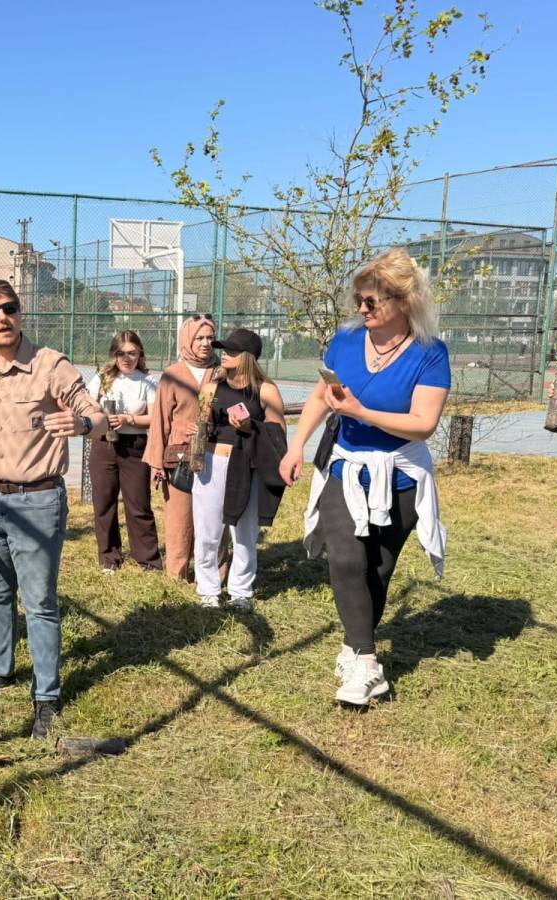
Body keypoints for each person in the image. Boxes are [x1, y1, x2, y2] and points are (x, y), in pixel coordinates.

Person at [279, 248, 451, 706]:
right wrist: (296, 446)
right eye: (359, 299)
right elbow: (321, 397)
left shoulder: (430, 353)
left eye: (371, 301)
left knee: (378, 568)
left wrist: (361, 411)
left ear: (404, 301)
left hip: (401, 476)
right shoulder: (346, 340)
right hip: (346, 468)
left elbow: (424, 423)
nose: (362, 308)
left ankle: (353, 647)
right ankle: (370, 666)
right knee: (346, 560)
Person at [0, 279, 106, 740]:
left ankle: (47, 696)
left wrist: (79, 423)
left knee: (38, 603)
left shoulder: (49, 364)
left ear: (20, 312)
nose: (2, 319)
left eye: (9, 309)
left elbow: (98, 416)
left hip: (38, 500)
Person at [191, 328, 287, 609]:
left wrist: (251, 427)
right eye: (224, 350)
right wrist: (197, 431)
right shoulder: (210, 388)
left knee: (244, 533)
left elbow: (279, 433)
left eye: (231, 351)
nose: (224, 355)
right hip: (211, 464)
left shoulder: (265, 390)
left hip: (246, 465)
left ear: (247, 357)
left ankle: (241, 592)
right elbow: (201, 425)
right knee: (207, 530)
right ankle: (208, 590)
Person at [143, 315, 222, 580]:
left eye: (210, 338)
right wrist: (156, 463)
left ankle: (213, 576)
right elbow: (160, 420)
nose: (205, 344)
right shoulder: (173, 375)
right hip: (180, 457)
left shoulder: (222, 371)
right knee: (180, 520)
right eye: (199, 338)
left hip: (216, 454)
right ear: (187, 339)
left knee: (214, 518)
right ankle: (177, 576)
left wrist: (212, 427)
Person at [86, 330, 161, 574]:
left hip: (134, 447)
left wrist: (129, 419)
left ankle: (148, 559)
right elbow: (88, 407)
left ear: (140, 354)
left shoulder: (147, 382)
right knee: (104, 503)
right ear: (114, 355)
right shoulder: (101, 379)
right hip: (103, 446)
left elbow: (154, 418)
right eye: (121, 353)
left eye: (132, 353)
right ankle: (109, 558)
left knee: (138, 504)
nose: (127, 358)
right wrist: (100, 415)